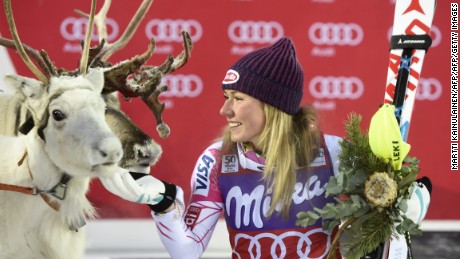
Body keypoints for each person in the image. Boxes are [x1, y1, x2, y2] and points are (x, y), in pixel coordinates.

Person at [100, 37, 431, 259]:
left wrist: (407, 207)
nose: (225, 111)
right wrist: (164, 203)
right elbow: (187, 251)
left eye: (238, 99)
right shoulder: (216, 161)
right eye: (226, 98)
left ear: (273, 107)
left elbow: (388, 224)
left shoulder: (333, 154)